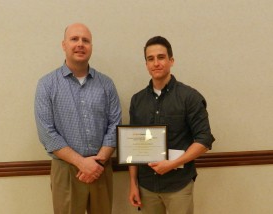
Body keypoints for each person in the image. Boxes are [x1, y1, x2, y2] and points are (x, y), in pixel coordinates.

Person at [34, 23, 121, 214]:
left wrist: (97, 163)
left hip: (101, 168)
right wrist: (82, 163)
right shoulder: (47, 85)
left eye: (86, 40)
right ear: (64, 45)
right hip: (66, 171)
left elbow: (115, 125)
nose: (80, 44)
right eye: (74, 39)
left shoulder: (106, 84)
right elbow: (47, 133)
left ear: (91, 46)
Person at [128, 36, 215, 214]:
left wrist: (171, 163)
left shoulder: (189, 97)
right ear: (146, 64)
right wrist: (133, 184)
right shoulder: (137, 100)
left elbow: (204, 140)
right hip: (146, 187)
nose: (156, 63)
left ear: (171, 60)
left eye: (161, 57)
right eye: (150, 59)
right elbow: (133, 147)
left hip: (179, 186)